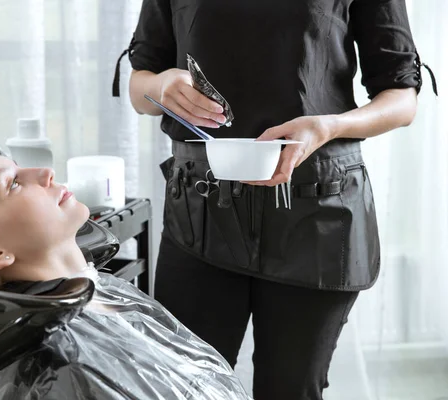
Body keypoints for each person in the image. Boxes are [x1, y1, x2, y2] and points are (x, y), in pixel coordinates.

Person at [116, 0, 437, 398]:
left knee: (291, 388)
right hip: (199, 215)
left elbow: (402, 99)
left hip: (318, 212)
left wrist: (330, 126)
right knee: (185, 387)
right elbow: (139, 87)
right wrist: (159, 87)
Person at [0, 154, 250, 400]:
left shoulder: (100, 293)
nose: (44, 173)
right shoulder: (55, 369)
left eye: (19, 167)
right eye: (14, 184)